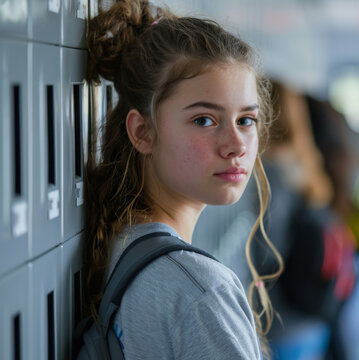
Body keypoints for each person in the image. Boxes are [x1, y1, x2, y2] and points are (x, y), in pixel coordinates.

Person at [82, 1, 282, 359]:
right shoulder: (202, 293)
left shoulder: (120, 244)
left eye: (246, 120)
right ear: (142, 132)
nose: (236, 145)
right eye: (204, 120)